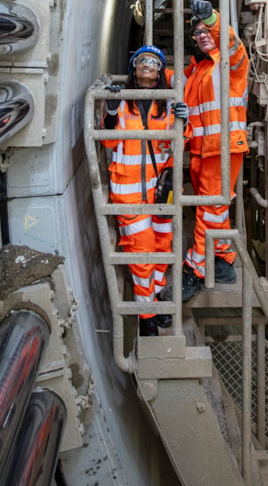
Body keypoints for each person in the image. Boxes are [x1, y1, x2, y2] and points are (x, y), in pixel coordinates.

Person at [102, 45, 188, 335]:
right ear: (133, 67)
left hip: (160, 190)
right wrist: (112, 113)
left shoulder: (166, 104)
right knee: (143, 254)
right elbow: (109, 143)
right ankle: (146, 315)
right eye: (142, 60)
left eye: (154, 61)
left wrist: (182, 121)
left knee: (163, 246)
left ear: (162, 70)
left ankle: (157, 295)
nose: (147, 64)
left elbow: (177, 145)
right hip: (129, 192)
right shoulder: (123, 101)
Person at [180, 0, 249, 301]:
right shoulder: (198, 70)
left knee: (209, 209)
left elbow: (232, 44)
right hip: (200, 150)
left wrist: (212, 18)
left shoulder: (230, 63)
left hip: (223, 149)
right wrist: (143, 69)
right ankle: (222, 259)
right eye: (198, 31)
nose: (203, 34)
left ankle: (197, 269)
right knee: (214, 210)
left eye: (207, 30)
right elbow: (170, 80)